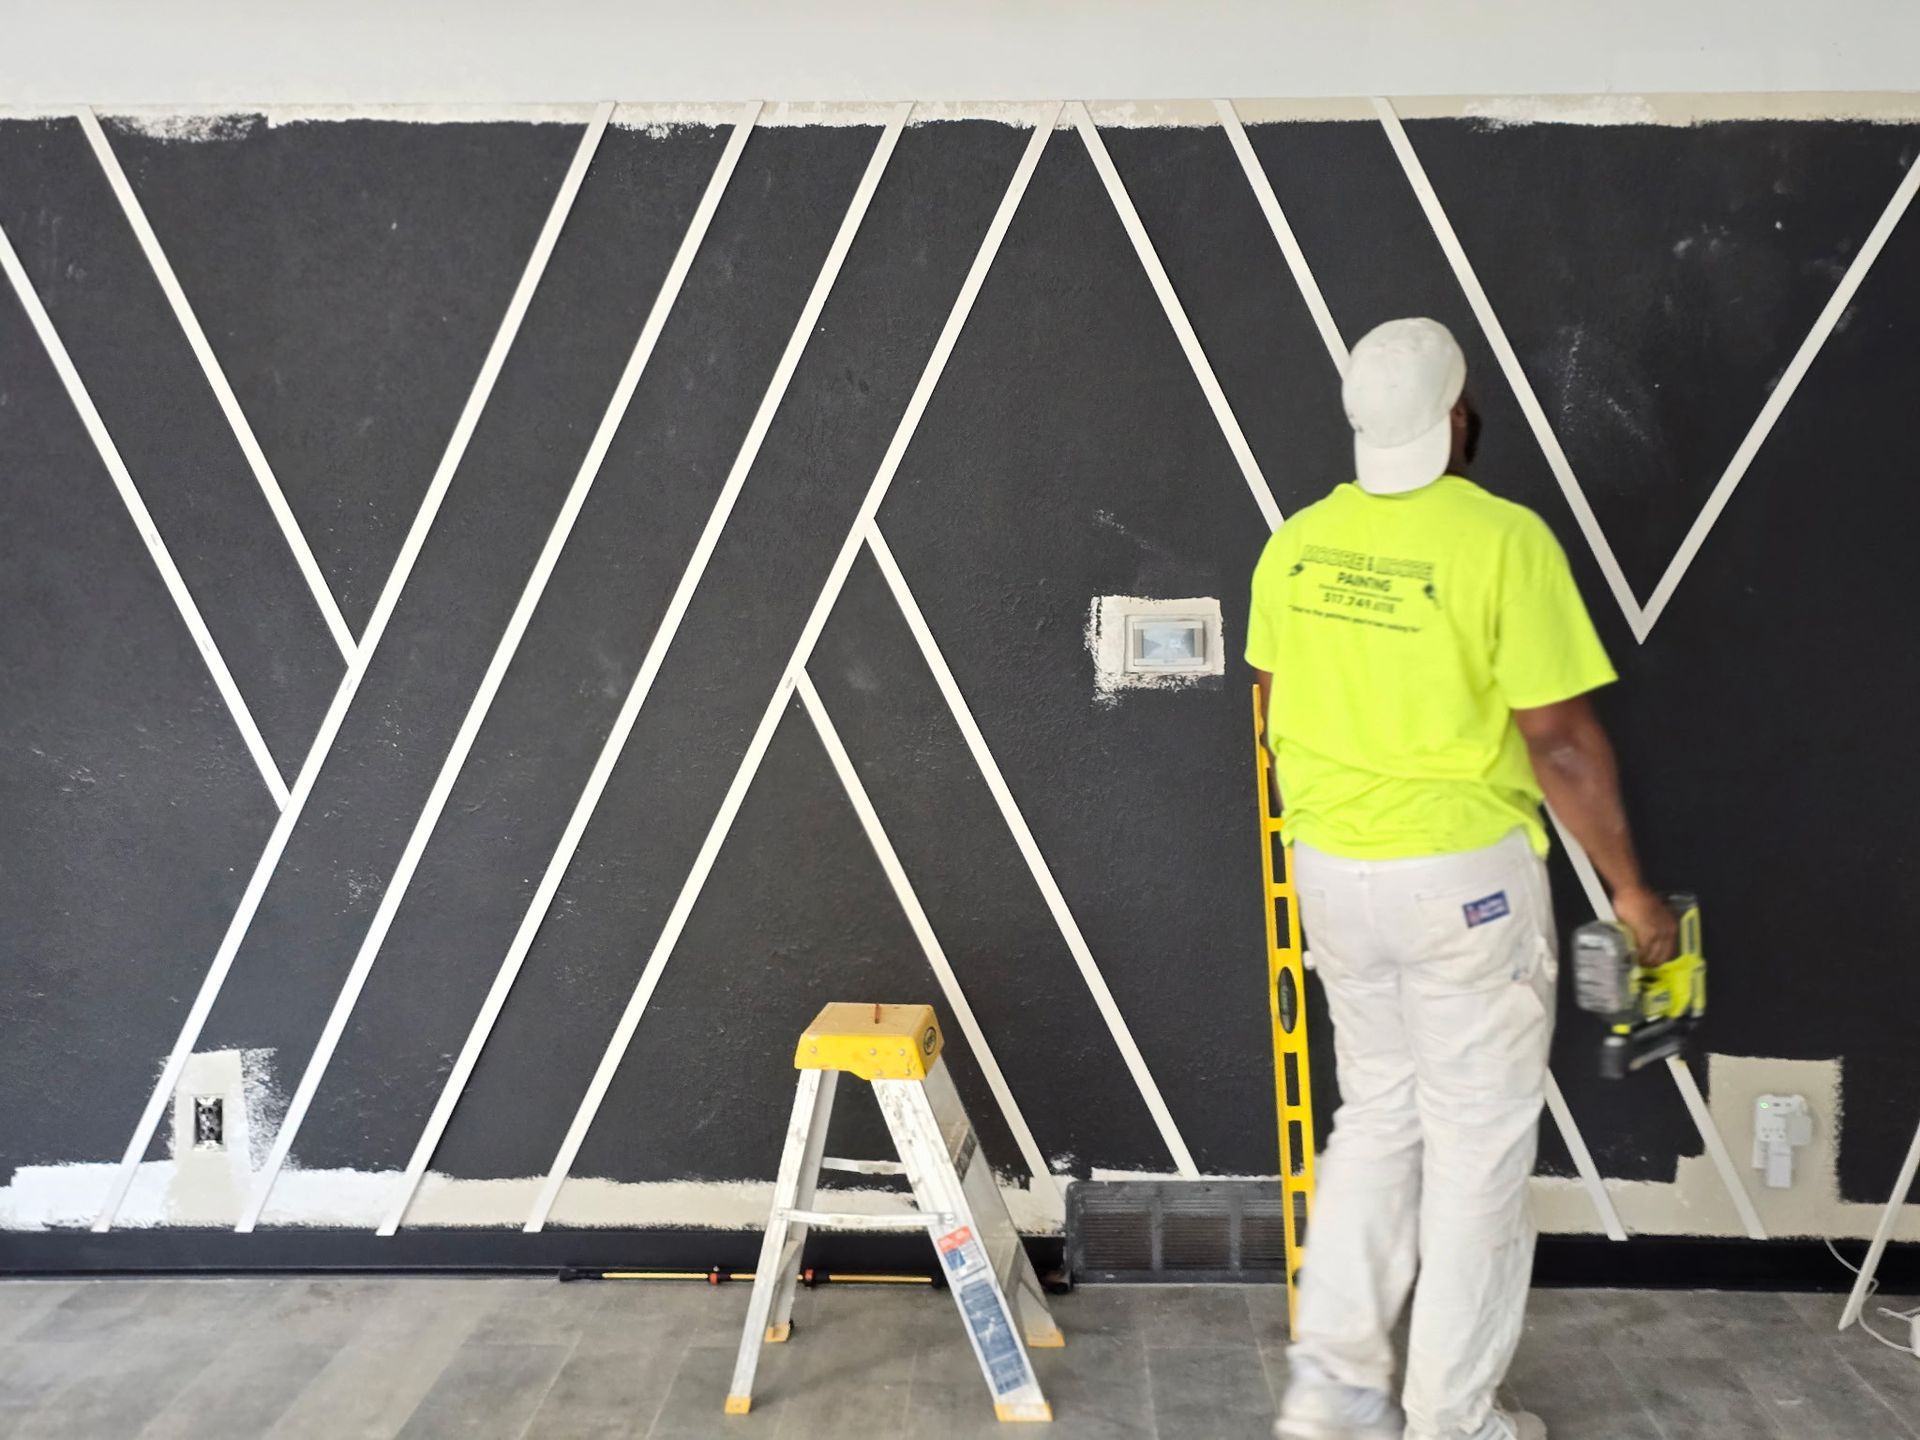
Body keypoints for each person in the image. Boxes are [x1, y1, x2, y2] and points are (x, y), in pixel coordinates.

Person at [1248, 318, 1677, 1440]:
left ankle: (1333, 1397)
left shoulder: (1294, 545)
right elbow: (1563, 744)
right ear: (1455, 416)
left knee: (1377, 1120)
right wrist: (1631, 891)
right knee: (1477, 1147)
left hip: (1333, 873)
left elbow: (1268, 707)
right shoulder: (1501, 540)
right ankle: (1451, 1420)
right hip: (1463, 887)